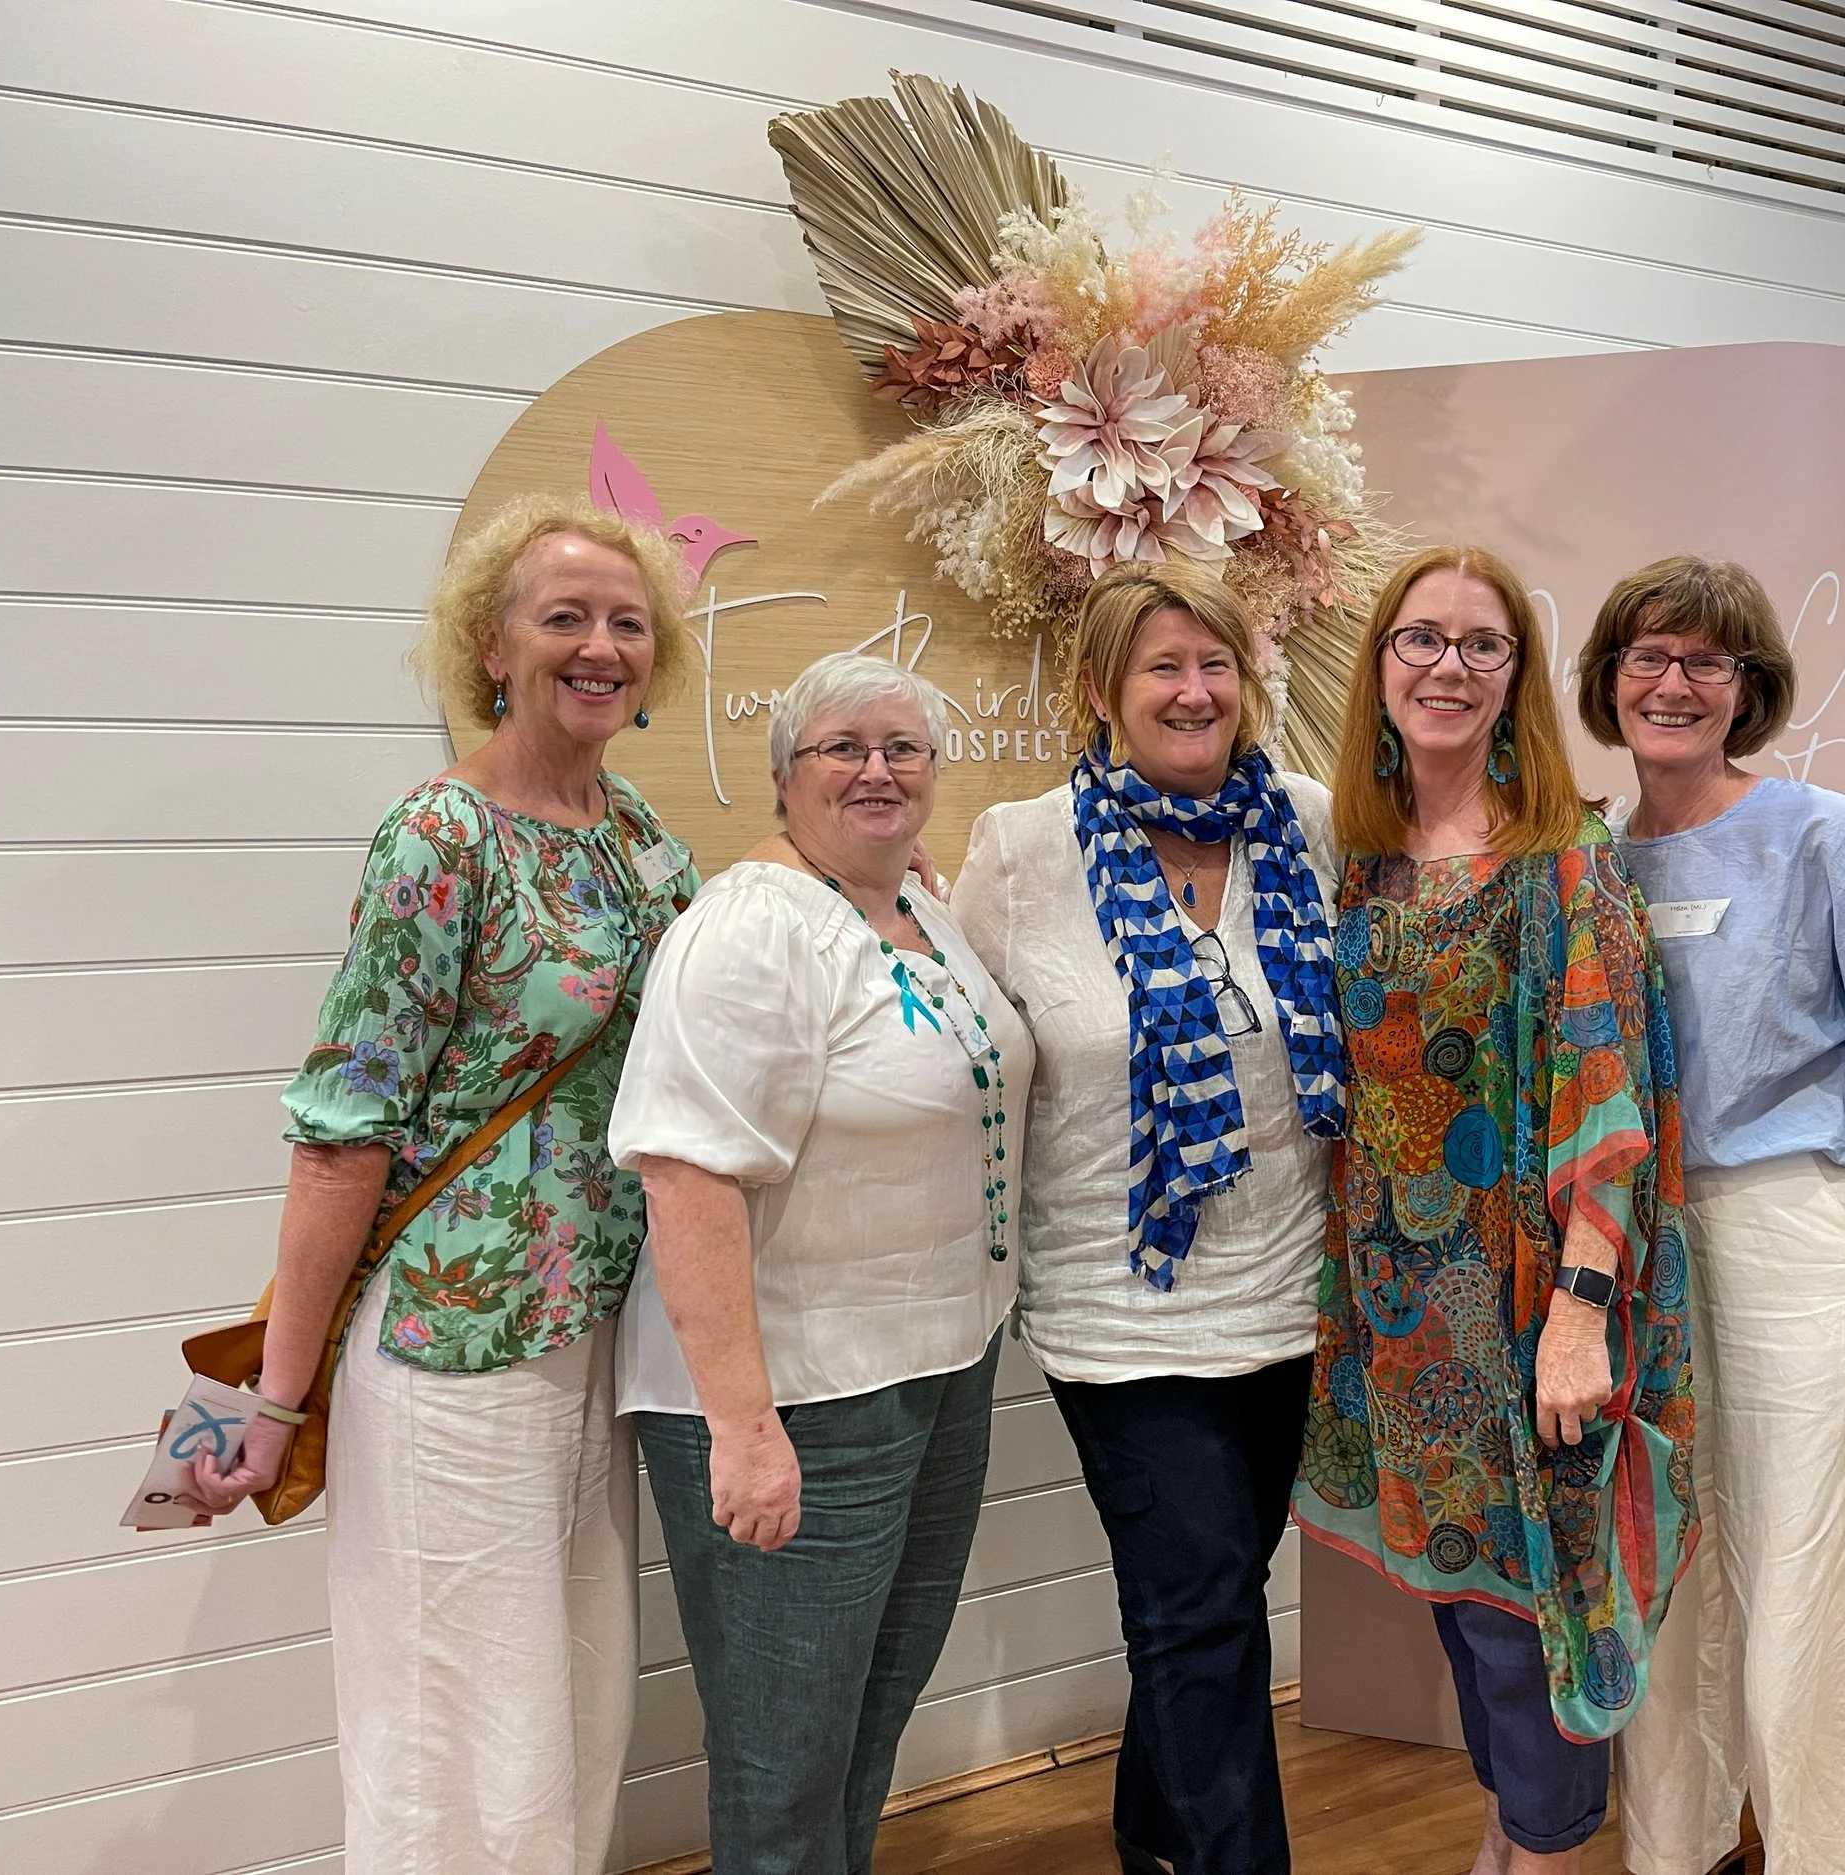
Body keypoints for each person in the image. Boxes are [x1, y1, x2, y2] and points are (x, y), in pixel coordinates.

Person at [174, 495, 699, 1874]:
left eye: (628, 622)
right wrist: (279, 1399)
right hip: (453, 1338)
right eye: (564, 616)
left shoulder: (638, 831)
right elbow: (342, 1130)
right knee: (457, 1699)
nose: (601, 645)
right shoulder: (439, 837)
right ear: (492, 644)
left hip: (597, 1322)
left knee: (576, 1684)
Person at [1577, 556, 1845, 1875]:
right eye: (1650, 654)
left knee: (1828, 1580)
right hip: (1635, 1252)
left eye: (1711, 661)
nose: (1676, 683)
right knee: (1664, 1571)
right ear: (1608, 675)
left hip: (1797, 1239)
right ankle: (1678, 1849)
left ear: (1750, 688)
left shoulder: (1822, 833)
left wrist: (1807, 1197)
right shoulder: (1584, 853)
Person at [1294, 545, 1694, 1875]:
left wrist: (1579, 1311)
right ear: (1381, 664)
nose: (1447, 666)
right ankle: (1514, 1829)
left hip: (1527, 1299)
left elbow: (1609, 1092)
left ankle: (1551, 1844)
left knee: (1536, 1611)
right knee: (1471, 1604)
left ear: (1518, 672)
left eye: (1481, 643)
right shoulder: (1354, 852)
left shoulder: (1565, 857)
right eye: (1420, 639)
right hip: (1402, 1316)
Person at [608, 652, 1033, 1875]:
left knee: (868, 1714)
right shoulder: (748, 929)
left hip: (933, 1368)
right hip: (794, 1394)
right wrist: (741, 1427)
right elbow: (684, 1173)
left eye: (904, 748)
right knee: (782, 1757)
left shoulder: (914, 906)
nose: (877, 770)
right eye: (843, 747)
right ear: (782, 774)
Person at [954, 564, 1344, 1875]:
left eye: (1214, 663)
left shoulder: (1307, 823)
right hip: (1120, 1304)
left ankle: (1151, 1836)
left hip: (1291, 1294)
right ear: (1102, 693)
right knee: (1202, 1614)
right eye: (1161, 668)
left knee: (1206, 1606)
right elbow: (966, 1055)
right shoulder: (1021, 849)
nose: (1194, 689)